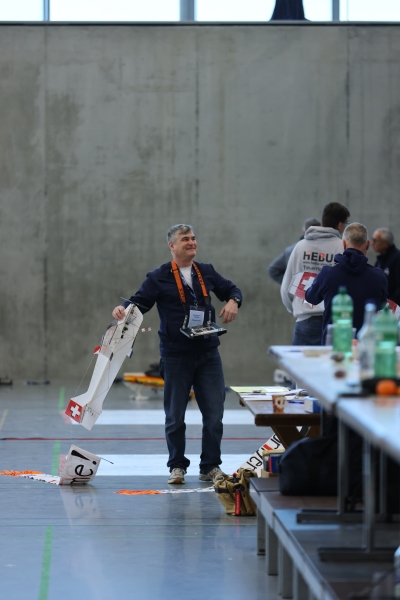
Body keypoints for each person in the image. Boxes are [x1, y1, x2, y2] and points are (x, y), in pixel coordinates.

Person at [112, 224, 242, 485]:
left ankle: (210, 466)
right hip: (176, 356)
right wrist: (123, 308)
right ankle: (177, 466)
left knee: (214, 414)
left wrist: (233, 301)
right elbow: (139, 302)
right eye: (185, 239)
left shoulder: (206, 271)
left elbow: (232, 290)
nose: (192, 242)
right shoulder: (158, 276)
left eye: (193, 238)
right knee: (175, 416)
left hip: (208, 353)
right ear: (172, 246)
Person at [281, 202, 350, 345]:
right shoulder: (342, 248)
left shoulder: (300, 246)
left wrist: (295, 310)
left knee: (299, 361)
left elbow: (286, 287)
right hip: (333, 324)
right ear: (339, 225)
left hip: (304, 322)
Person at [305, 223, 388, 343]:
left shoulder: (327, 273)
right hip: (366, 345)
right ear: (368, 244)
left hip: (334, 345)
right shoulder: (379, 276)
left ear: (343, 244)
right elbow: (382, 305)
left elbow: (311, 297)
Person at [267, 217, 321, 284]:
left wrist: (290, 284)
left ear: (303, 232)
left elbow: (273, 270)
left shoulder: (291, 250)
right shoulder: (327, 249)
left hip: (297, 289)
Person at [372, 228, 400, 306]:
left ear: (386, 244)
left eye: (375, 240)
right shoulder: (380, 259)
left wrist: (390, 304)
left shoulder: (397, 258)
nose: (372, 243)